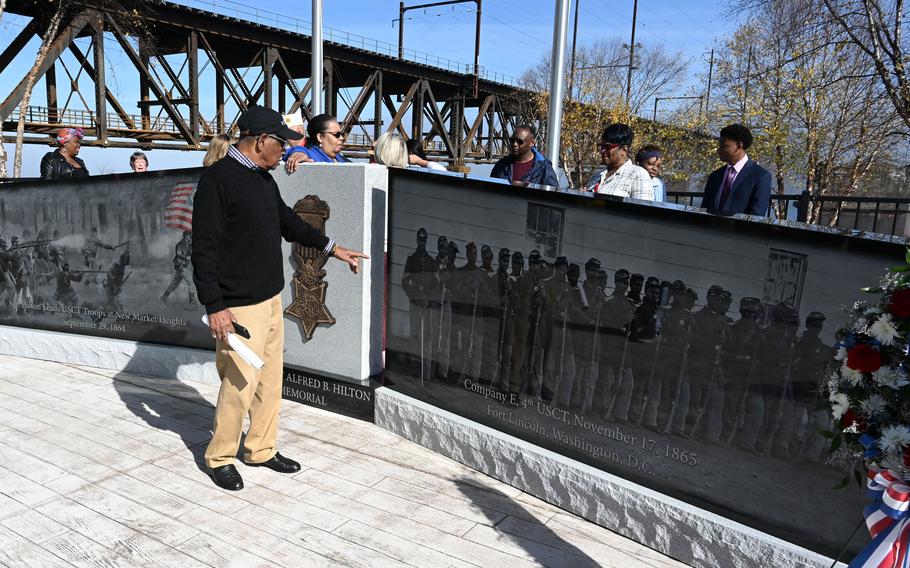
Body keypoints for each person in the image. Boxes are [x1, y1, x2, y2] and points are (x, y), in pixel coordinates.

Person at [192, 105, 367, 491]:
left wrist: (333, 248)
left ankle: (261, 449)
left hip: (270, 299)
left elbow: (289, 224)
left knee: (270, 381)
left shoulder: (263, 180)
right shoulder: (218, 181)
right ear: (261, 142)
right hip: (237, 305)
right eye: (282, 145)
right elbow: (202, 249)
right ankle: (219, 457)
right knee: (239, 384)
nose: (285, 152)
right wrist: (215, 308)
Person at [701, 124, 772, 216]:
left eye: (723, 146)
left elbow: (756, 215)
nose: (718, 150)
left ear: (739, 146)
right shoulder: (715, 176)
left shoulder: (760, 176)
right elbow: (704, 210)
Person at [585, 124, 653, 200]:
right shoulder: (596, 176)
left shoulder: (637, 175)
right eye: (602, 146)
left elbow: (643, 210)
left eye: (608, 147)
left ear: (624, 149)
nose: (603, 151)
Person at [490, 125, 559, 187]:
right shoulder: (501, 164)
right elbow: (490, 191)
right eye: (512, 140)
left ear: (532, 143)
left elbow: (553, 196)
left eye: (520, 141)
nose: (514, 144)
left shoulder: (544, 168)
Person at [285, 113, 350, 166]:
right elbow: (289, 153)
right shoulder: (311, 158)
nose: (341, 138)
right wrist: (297, 153)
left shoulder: (342, 159)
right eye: (337, 135)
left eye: (342, 134)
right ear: (320, 137)